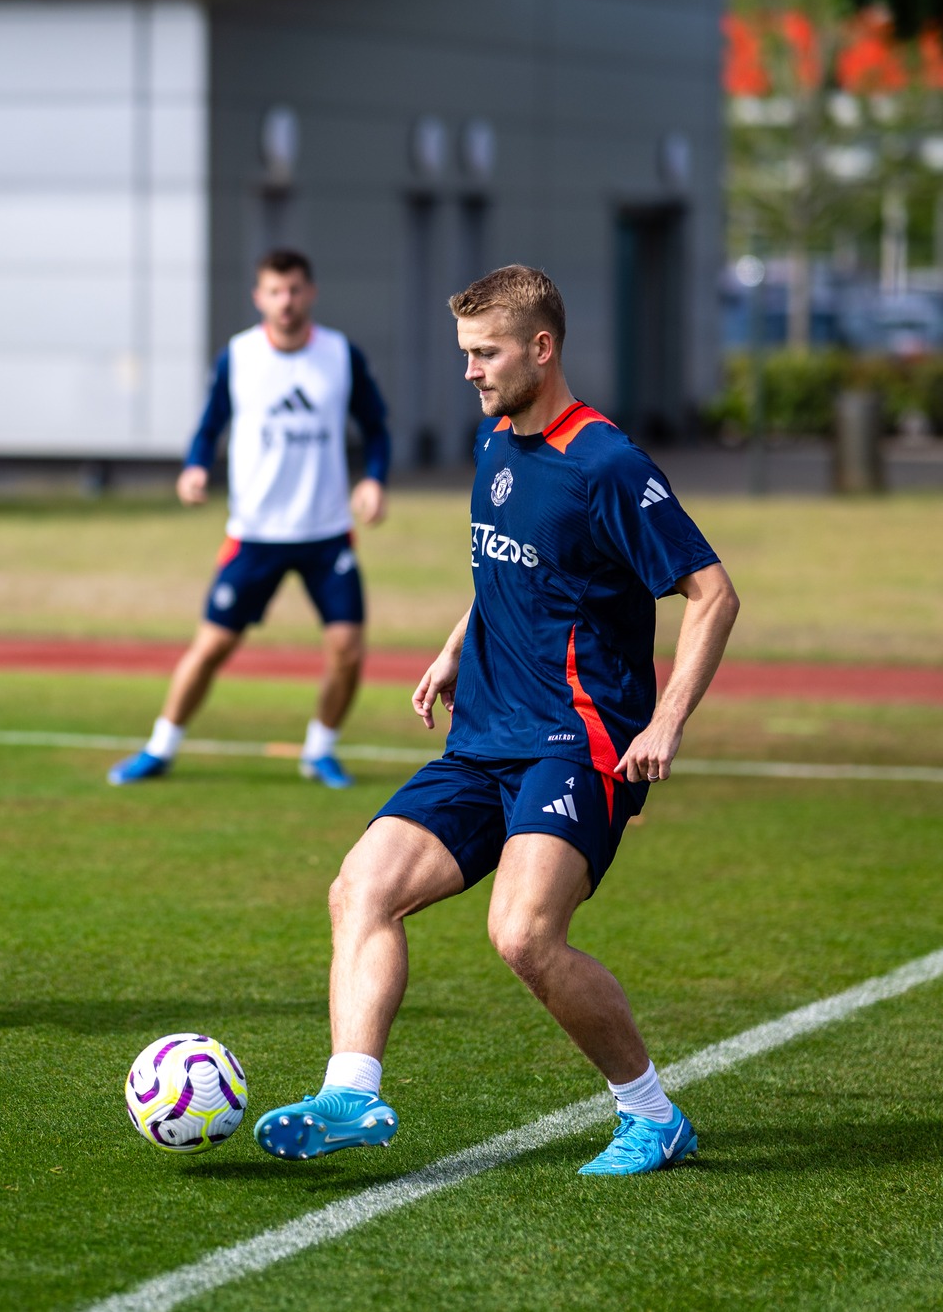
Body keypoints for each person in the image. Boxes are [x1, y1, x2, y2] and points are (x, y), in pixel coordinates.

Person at [252, 265, 739, 1175]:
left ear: (542, 349)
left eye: (487, 354)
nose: (470, 372)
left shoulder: (606, 462)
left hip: (577, 743)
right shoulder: (493, 445)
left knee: (522, 935)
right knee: (361, 886)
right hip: (480, 736)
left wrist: (667, 720)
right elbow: (509, 572)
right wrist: (453, 645)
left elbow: (712, 594)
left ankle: (651, 1115)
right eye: (466, 354)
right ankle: (351, 1093)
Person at [109, 248, 392, 790]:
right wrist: (194, 467)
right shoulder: (238, 356)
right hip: (255, 534)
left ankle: (320, 750)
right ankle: (160, 747)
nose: (285, 302)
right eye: (274, 291)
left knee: (348, 650)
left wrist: (374, 478)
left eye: (294, 290)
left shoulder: (339, 355)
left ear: (310, 293)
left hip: (326, 533)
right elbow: (210, 423)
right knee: (212, 647)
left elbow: (376, 427)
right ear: (258, 297)